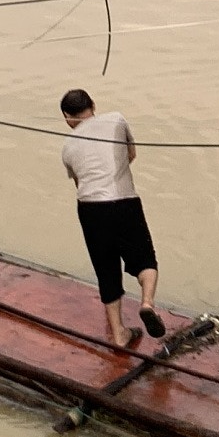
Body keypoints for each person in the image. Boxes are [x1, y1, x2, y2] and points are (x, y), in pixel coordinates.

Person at [59, 88, 164, 348]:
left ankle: (119, 334)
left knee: (106, 269)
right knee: (145, 259)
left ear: (66, 117)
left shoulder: (67, 145)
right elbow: (131, 155)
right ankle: (147, 303)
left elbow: (79, 182)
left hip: (91, 208)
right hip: (124, 201)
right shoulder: (117, 119)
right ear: (93, 105)